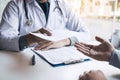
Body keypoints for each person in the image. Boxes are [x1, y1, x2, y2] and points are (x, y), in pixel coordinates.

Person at [0, 0, 90, 51]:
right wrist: (29, 39)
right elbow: (2, 40)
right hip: (27, 61)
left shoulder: (62, 4)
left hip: (57, 59)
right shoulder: (15, 5)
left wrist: (65, 41)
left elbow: (85, 34)